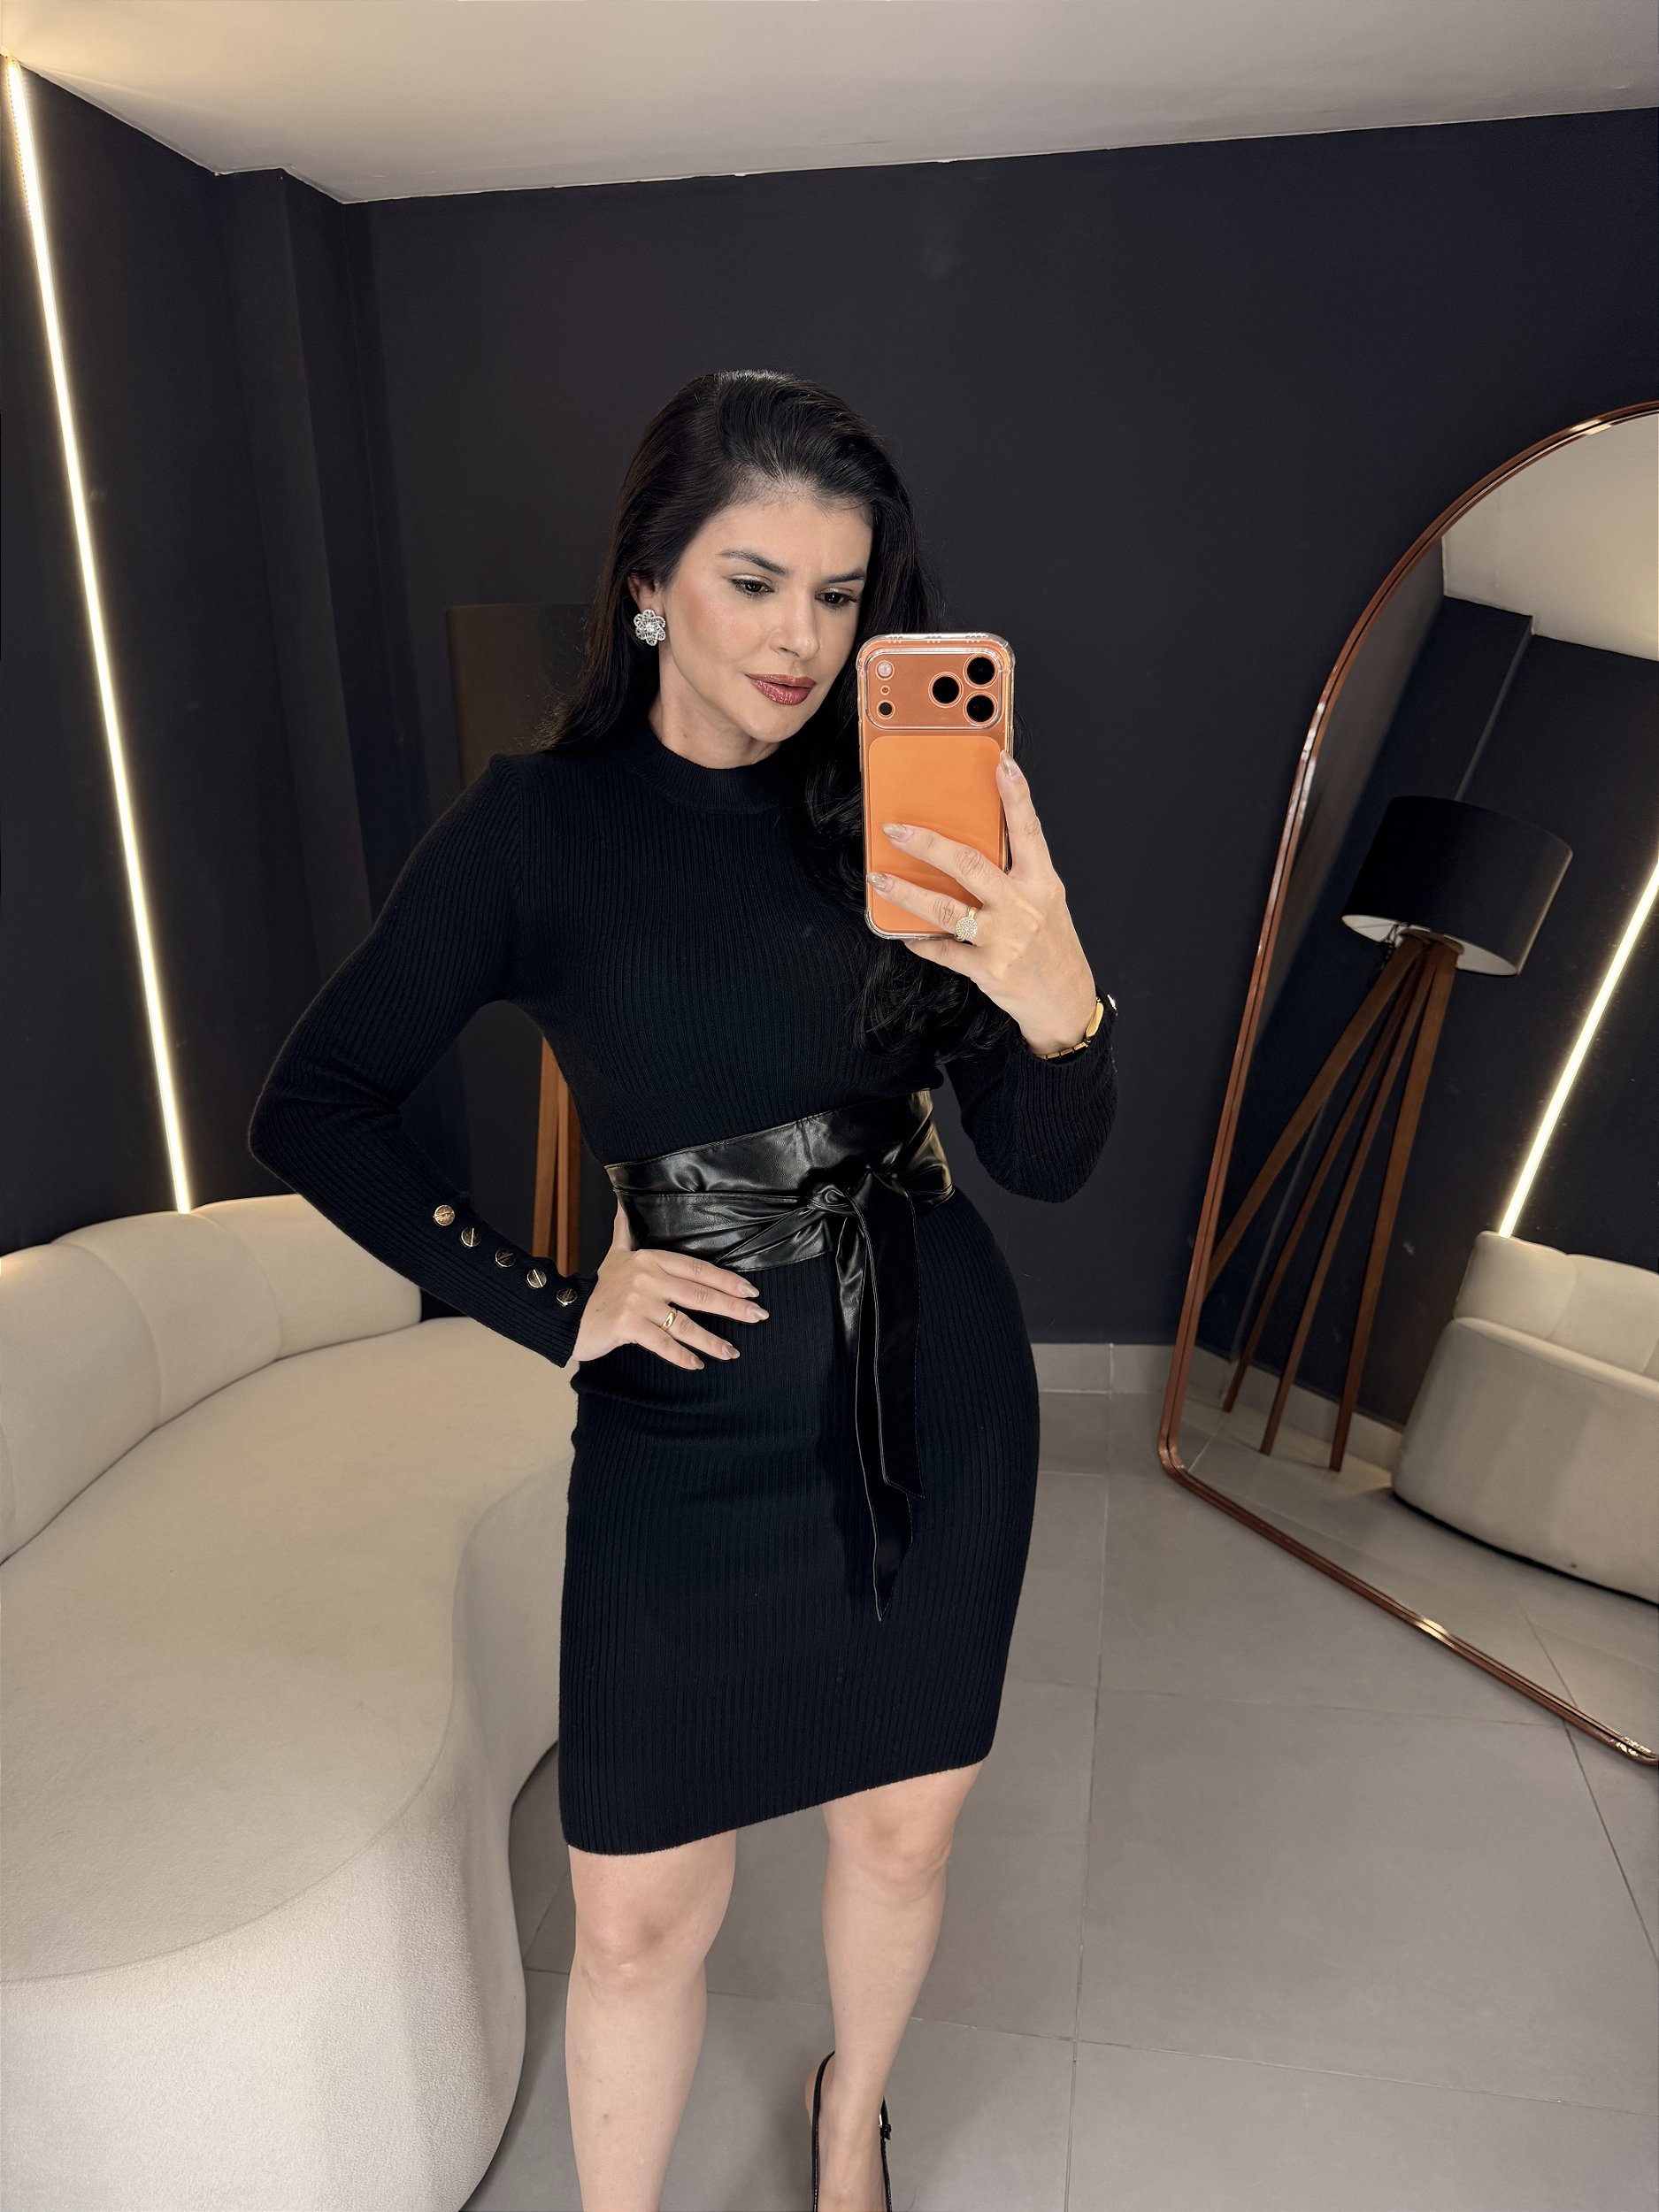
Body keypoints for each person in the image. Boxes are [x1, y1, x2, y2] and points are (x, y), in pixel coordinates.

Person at [249, 367, 1118, 2212]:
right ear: (646, 582)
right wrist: (555, 1301)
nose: (801, 638)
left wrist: (1056, 1003)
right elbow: (312, 1103)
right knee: (636, 1918)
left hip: (934, 1374)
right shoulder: (535, 830)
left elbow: (1045, 1158)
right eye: (752, 581)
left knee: (900, 1834)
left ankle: (848, 2122)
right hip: (687, 1427)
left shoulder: (904, 811)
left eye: (840, 593)